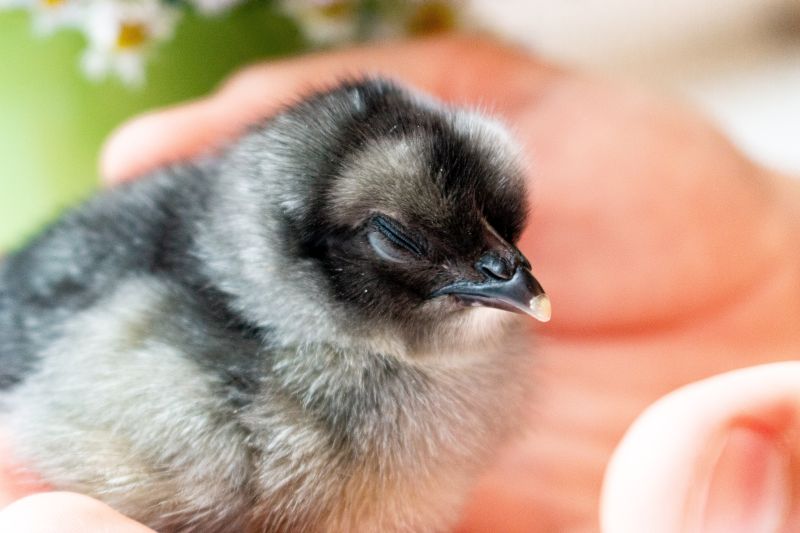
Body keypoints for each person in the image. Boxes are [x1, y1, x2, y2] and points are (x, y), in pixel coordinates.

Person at [1, 36, 798, 533]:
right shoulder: (192, 386)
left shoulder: (474, 358)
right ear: (302, 250)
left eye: (504, 231)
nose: (509, 271)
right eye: (401, 240)